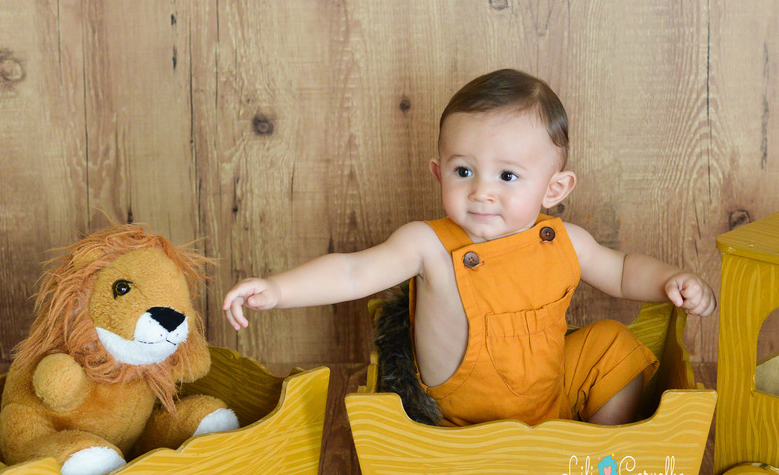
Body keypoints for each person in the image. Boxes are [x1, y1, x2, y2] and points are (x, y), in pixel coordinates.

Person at [223, 69, 716, 426]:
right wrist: (276, 289)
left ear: (553, 189)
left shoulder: (564, 241)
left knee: (614, 343)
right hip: (465, 415)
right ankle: (558, 457)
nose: (482, 190)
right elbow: (352, 272)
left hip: (548, 396)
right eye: (464, 171)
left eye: (507, 176)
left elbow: (625, 270)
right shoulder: (427, 244)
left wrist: (674, 281)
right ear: (439, 172)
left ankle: (596, 455)